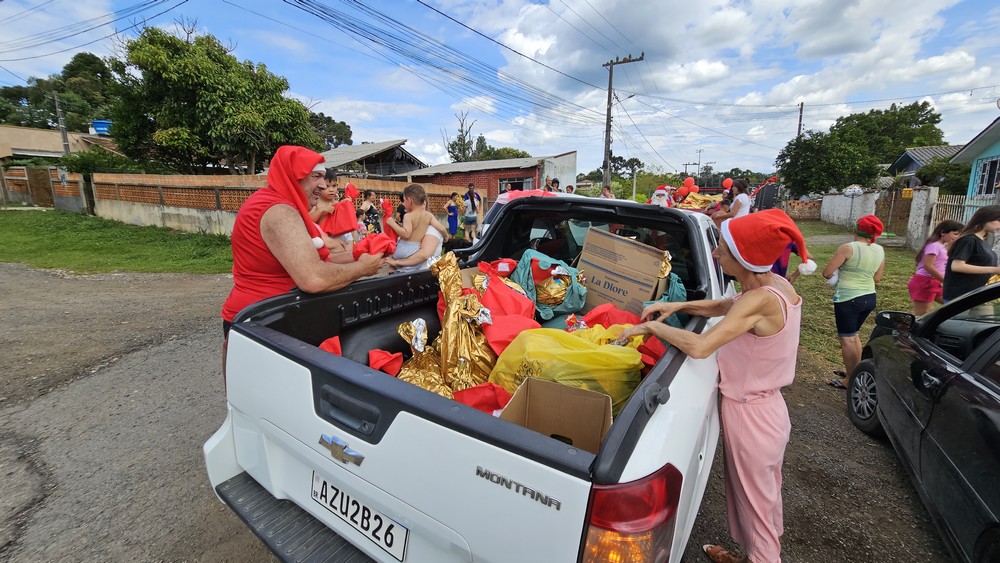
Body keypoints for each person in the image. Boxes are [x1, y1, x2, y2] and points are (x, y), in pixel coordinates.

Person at [616, 209, 816, 563]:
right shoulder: (771, 287)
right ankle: (753, 555)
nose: (715, 253)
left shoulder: (761, 300)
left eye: (722, 247)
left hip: (752, 415)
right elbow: (725, 305)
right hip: (766, 411)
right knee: (762, 497)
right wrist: (677, 304)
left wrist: (651, 328)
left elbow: (700, 346)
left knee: (756, 505)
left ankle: (763, 558)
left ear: (743, 257)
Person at [221, 145, 384, 358]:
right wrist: (362, 268)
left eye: (324, 177)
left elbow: (319, 258)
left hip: (271, 318)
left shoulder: (287, 207)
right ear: (293, 176)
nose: (323, 185)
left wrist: (357, 255)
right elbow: (314, 278)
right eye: (316, 176)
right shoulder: (279, 212)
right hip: (262, 323)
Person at [822, 215, 886, 389]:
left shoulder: (848, 248)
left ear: (855, 229)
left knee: (847, 340)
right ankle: (855, 371)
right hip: (869, 296)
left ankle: (850, 380)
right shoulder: (879, 250)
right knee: (854, 335)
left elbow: (827, 273)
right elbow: (877, 278)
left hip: (848, 298)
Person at [943, 205, 1000, 304]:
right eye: (999, 220)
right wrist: (995, 269)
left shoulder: (983, 240)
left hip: (978, 293)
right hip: (960, 295)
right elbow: (957, 266)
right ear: (985, 218)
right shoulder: (969, 240)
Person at [385, 183, 446, 274]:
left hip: (404, 248)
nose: (403, 204)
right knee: (409, 270)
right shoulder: (429, 215)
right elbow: (441, 228)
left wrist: (392, 223)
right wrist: (446, 236)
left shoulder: (408, 216)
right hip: (416, 249)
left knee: (394, 269)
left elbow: (406, 233)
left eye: (404, 200)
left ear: (409, 200)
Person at [908, 220, 962, 316]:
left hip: (936, 282)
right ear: (942, 232)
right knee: (921, 314)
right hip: (925, 282)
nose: (957, 237)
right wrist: (944, 280)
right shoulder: (934, 246)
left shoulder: (942, 246)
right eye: (955, 234)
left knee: (955, 304)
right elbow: (928, 266)